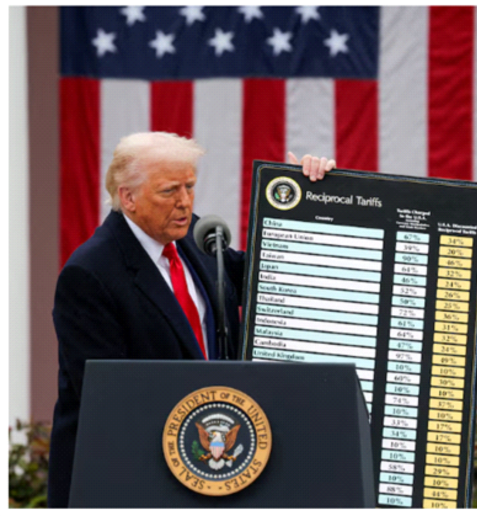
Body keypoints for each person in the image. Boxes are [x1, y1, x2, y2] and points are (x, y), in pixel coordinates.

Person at [48, 132, 335, 507]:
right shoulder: (89, 273)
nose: (184, 202)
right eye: (169, 191)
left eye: (189, 186)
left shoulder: (194, 237)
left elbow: (267, 278)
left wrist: (305, 200)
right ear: (128, 197)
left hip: (207, 470)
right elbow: (108, 398)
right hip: (126, 480)